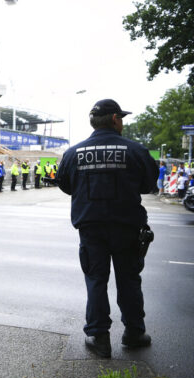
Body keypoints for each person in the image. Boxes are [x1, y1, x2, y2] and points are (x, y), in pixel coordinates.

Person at [57, 99, 157, 358]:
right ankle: (134, 333)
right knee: (129, 280)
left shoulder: (73, 153)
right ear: (114, 119)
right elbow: (148, 185)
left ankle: (99, 337)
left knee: (96, 281)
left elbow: (66, 185)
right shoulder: (135, 150)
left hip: (91, 229)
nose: (122, 122)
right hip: (127, 227)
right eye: (121, 118)